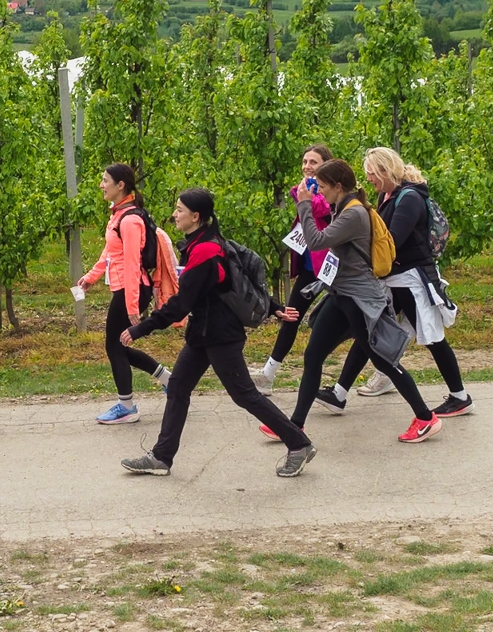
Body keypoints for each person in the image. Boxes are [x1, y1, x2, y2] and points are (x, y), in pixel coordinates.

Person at [117, 189, 319, 478]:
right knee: (177, 388)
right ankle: (161, 457)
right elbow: (236, 281)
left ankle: (299, 444)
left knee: (245, 395)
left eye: (179, 210)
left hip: (220, 336)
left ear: (195, 216)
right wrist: (273, 307)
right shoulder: (209, 242)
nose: (174, 214)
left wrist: (140, 328)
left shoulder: (206, 250)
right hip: (203, 334)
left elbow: (181, 303)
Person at [275, 159, 441, 444]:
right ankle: (295, 426)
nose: (321, 193)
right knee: (313, 355)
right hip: (341, 295)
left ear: (339, 187)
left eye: (324, 187)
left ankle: (426, 417)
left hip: (360, 300)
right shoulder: (343, 206)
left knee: (382, 359)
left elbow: (316, 241)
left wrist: (303, 204)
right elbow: (323, 215)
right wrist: (307, 191)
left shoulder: (353, 214)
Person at [325, 147, 472, 417]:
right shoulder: (388, 195)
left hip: (411, 280)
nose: (368, 178)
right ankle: (339, 393)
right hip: (395, 279)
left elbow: (391, 242)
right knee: (368, 333)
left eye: (371, 173)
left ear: (384, 171)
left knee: (433, 339)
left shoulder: (409, 199)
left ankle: (459, 396)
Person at [76, 163, 172, 425]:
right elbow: (111, 254)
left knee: (114, 344)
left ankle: (127, 405)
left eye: (105, 180)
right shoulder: (119, 215)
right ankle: (167, 380)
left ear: (121, 185)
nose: (101, 185)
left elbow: (131, 264)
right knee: (118, 345)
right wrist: (91, 277)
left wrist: (131, 306)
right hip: (124, 288)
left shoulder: (129, 220)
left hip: (132, 289)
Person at [257, 144, 332, 393]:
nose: (307, 166)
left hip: (333, 269)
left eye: (313, 162)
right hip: (311, 267)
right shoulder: (306, 191)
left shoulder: (331, 195)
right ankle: (268, 374)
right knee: (291, 315)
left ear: (326, 167)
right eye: (305, 161)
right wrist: (303, 193)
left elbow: (320, 208)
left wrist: (305, 195)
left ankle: (386, 369)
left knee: (359, 322)